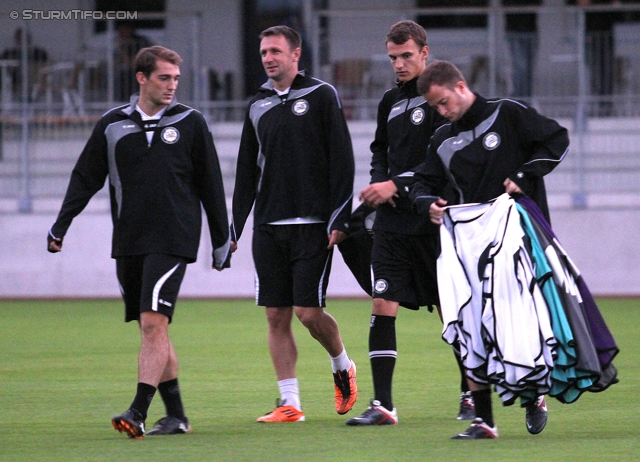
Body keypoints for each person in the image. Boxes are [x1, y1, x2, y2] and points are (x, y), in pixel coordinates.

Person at [47, 46, 231, 438]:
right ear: (142, 78)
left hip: (174, 237)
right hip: (129, 239)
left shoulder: (191, 122)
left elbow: (211, 184)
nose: (172, 86)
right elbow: (85, 177)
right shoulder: (113, 125)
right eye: (164, 78)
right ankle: (177, 416)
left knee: (152, 322)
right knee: (153, 330)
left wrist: (221, 240)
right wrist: (61, 224)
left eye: (176, 79)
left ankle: (138, 411)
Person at [406, 60, 569, 439]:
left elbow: (556, 138)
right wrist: (427, 202)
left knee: (518, 323)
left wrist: (527, 175)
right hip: (469, 244)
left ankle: (534, 396)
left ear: (461, 86)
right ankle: (484, 421)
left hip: (519, 238)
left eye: (444, 102)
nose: (442, 112)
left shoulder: (507, 113)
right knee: (471, 323)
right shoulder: (442, 139)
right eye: (435, 108)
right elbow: (421, 183)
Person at [345, 20, 473, 426]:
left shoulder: (438, 100)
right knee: (382, 302)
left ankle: (471, 395)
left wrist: (393, 183)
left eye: (405, 56)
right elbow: (379, 150)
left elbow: (439, 161)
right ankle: (383, 404)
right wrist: (376, 185)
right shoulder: (389, 102)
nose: (399, 64)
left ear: (424, 52)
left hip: (434, 220)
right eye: (393, 58)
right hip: (392, 223)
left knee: (451, 312)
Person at [230, 25, 358, 423]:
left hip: (313, 226)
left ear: (295, 55)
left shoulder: (321, 96)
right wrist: (234, 227)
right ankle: (291, 404)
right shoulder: (257, 105)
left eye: (275, 51)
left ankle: (342, 365)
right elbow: (245, 173)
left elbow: (343, 161)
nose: (268, 58)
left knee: (307, 312)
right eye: (264, 52)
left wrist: (339, 216)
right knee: (275, 316)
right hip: (268, 227)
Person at [114, 22, 153, 101]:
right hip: (127, 74)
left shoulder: (139, 42)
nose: (121, 33)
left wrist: (121, 48)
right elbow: (116, 62)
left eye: (123, 30)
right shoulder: (123, 43)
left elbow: (133, 63)